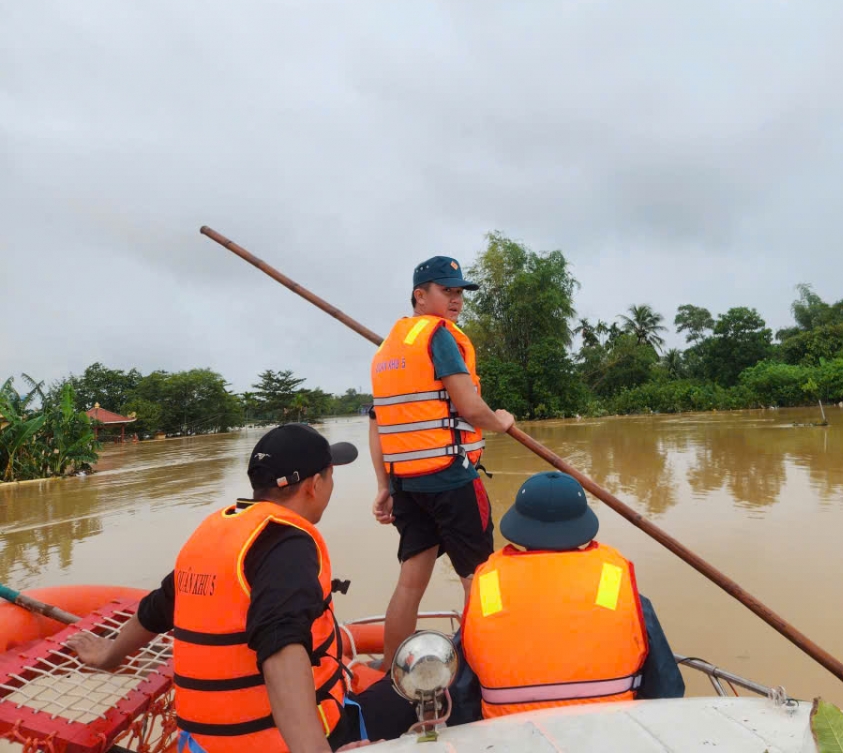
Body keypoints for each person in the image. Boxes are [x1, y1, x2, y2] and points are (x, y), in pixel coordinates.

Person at [67, 424, 414, 751]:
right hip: (280, 743)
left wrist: (109, 654)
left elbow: (157, 608)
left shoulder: (215, 532)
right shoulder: (289, 544)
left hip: (202, 743)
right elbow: (281, 648)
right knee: (420, 688)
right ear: (314, 485)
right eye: (330, 475)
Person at [369, 255, 515, 670]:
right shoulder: (439, 337)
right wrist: (500, 421)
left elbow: (377, 424)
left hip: (407, 485)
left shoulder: (387, 349)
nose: (456, 300)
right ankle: (486, 669)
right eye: (446, 291)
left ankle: (390, 670)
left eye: (459, 292)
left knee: (410, 581)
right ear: (420, 294)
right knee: (479, 578)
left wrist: (384, 485)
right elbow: (470, 406)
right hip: (450, 478)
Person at [457, 472, 686, 719]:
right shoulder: (613, 581)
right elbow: (668, 688)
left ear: (519, 526)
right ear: (582, 526)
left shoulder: (489, 586)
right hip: (612, 733)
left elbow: (461, 698)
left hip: (507, 738)